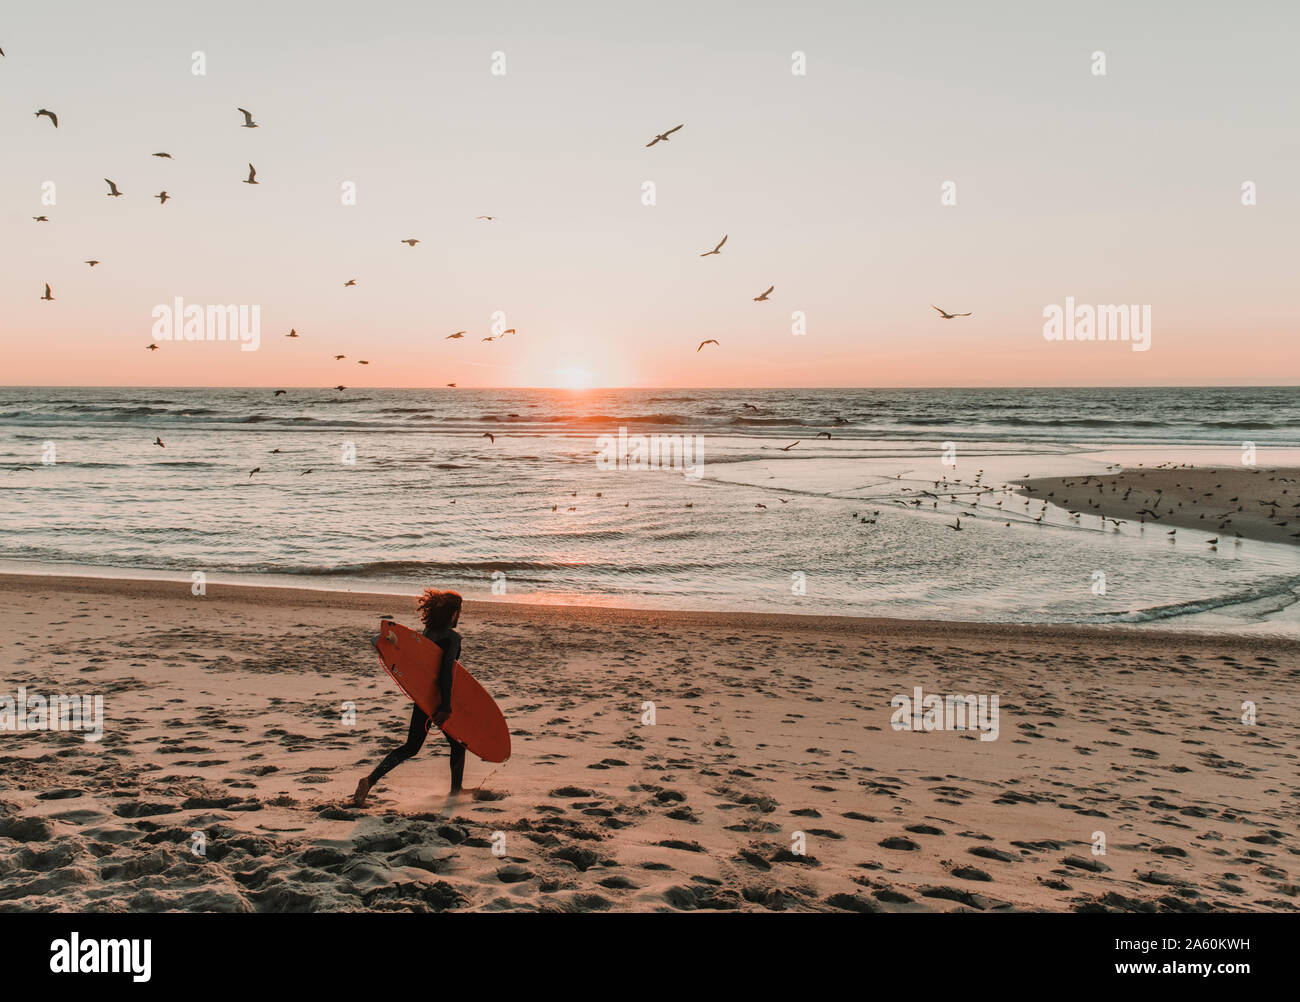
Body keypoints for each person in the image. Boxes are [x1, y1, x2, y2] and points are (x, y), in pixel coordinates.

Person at [352, 589, 467, 806]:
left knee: (411, 747)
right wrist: (445, 706)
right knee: (458, 744)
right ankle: (455, 793)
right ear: (453, 614)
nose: (459, 616)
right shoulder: (453, 638)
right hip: (438, 700)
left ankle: (369, 781)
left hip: (422, 699)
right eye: (459, 611)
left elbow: (419, 668)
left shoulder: (428, 633)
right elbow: (445, 673)